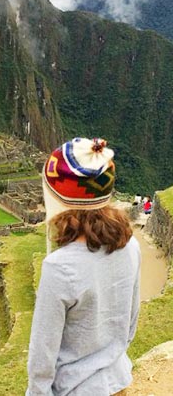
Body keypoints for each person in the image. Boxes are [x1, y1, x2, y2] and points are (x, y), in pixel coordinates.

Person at [27, 138, 140, 396]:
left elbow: (43, 352)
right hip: (117, 381)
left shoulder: (60, 267)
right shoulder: (130, 246)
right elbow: (131, 319)